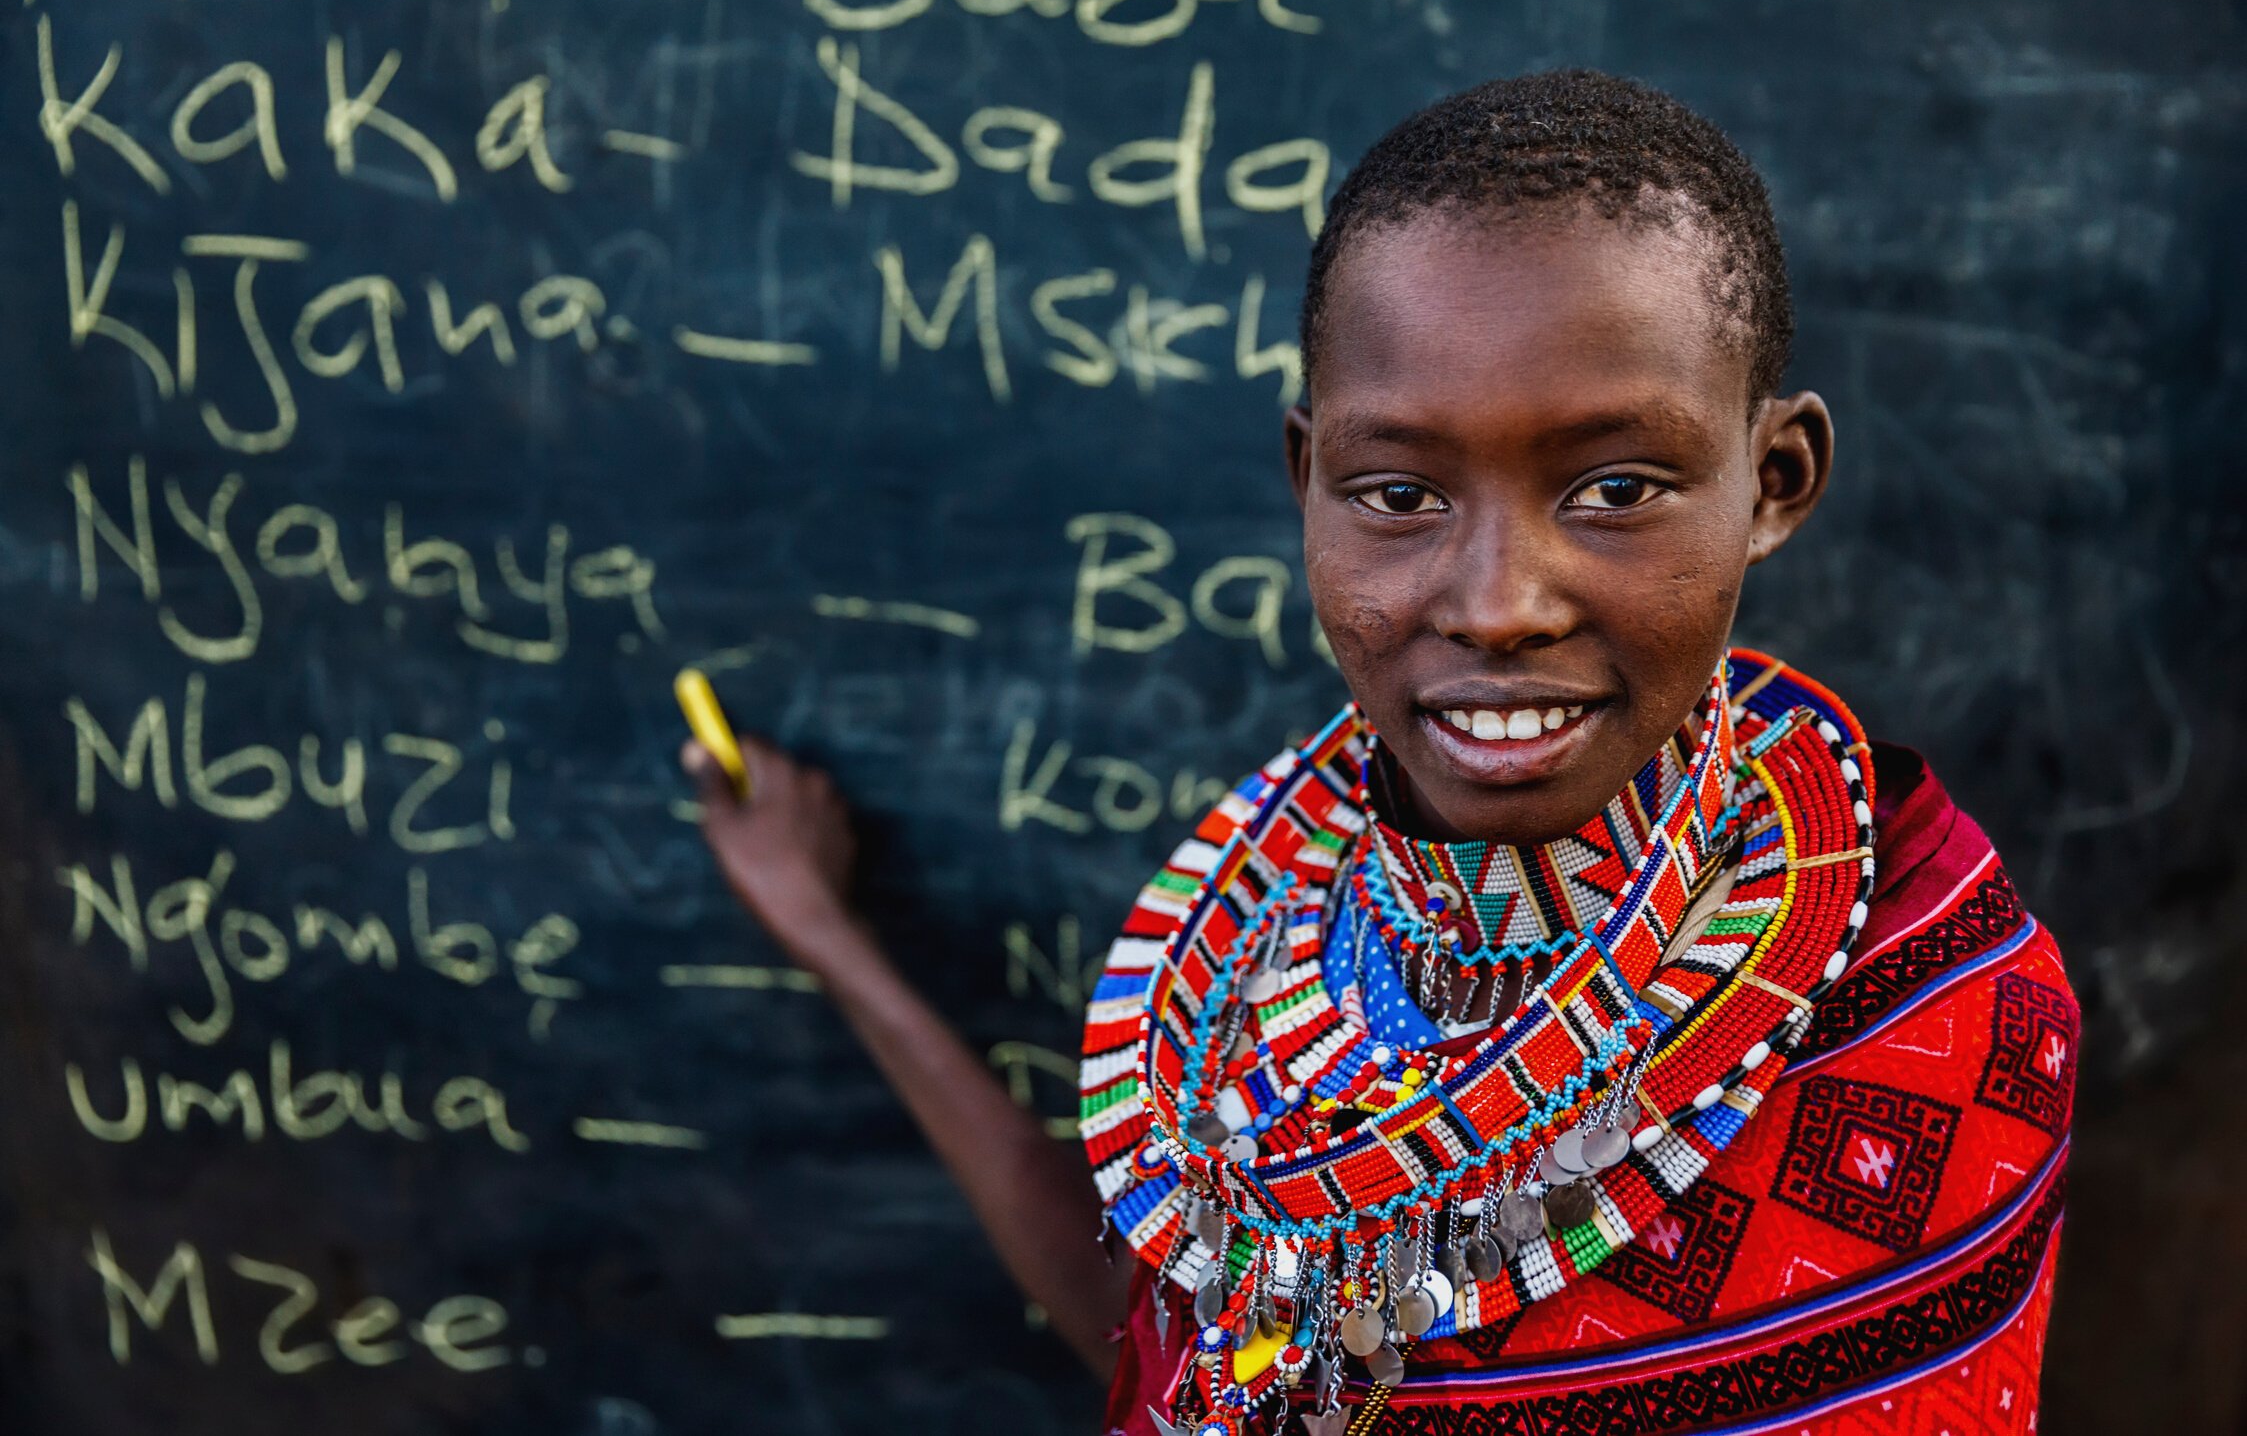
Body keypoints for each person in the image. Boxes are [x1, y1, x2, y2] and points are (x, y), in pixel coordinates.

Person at [681, 70, 2076, 1436]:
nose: (1495, 602)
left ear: (1774, 482)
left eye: (1615, 489)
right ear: (1306, 482)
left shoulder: (1923, 1009)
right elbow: (1192, 1336)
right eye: (1398, 493)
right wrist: (829, 935)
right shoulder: (1263, 938)